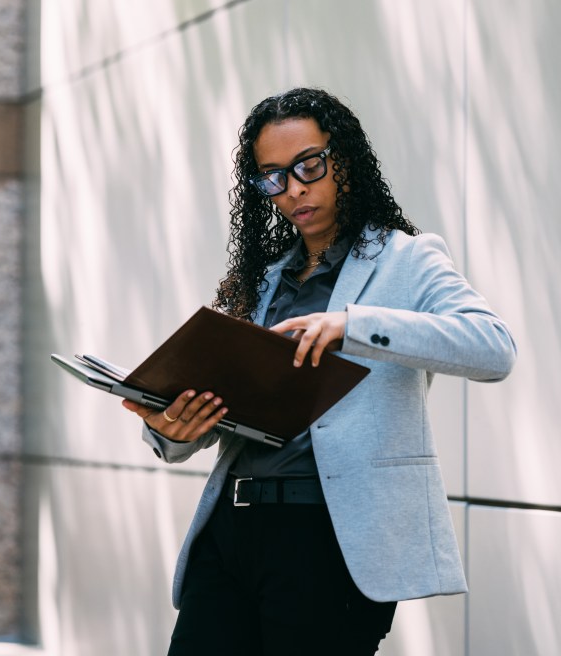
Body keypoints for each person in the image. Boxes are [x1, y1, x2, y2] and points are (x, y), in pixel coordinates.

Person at [122, 87, 516, 655]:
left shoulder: (409, 259)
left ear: (345, 160)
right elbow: (230, 406)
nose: (295, 188)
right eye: (273, 176)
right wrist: (174, 428)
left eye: (309, 164)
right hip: (230, 533)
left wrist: (353, 325)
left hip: (331, 540)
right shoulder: (261, 281)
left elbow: (494, 347)